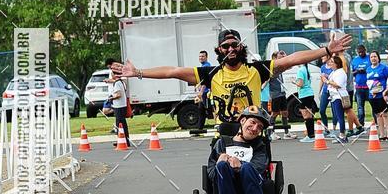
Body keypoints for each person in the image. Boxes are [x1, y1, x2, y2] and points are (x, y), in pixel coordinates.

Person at [113, 28, 352, 125]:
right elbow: (172, 72)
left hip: (254, 130)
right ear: (219, 50)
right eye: (225, 46)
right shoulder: (210, 73)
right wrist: (138, 72)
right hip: (225, 134)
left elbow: (292, 59)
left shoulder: (257, 70)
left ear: (241, 47)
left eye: (234, 45)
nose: (230, 49)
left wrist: (326, 50)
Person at [269, 51, 294, 138]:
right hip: (275, 94)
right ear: (275, 58)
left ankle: (286, 132)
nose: (281, 59)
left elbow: (289, 66)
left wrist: (285, 57)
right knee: (275, 113)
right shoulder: (272, 68)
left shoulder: (280, 67)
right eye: (279, 58)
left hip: (282, 93)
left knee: (285, 112)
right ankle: (271, 132)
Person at [366, 50, 388, 139]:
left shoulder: (383, 68)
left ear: (378, 58)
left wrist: (386, 92)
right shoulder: (368, 69)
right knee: (378, 115)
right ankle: (382, 134)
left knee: (385, 114)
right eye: (371, 57)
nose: (373, 58)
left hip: (382, 95)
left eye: (375, 56)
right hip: (372, 96)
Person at [325, 55, 349, 142]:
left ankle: (342, 135)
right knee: (337, 115)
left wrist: (327, 81)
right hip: (333, 96)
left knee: (340, 116)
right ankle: (341, 134)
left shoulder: (340, 72)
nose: (330, 63)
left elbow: (338, 85)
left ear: (336, 64)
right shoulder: (334, 72)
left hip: (339, 96)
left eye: (332, 62)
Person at [295, 62, 318, 142]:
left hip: (304, 95)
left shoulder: (300, 70)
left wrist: (294, 82)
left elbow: (300, 84)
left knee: (306, 116)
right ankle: (311, 135)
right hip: (309, 93)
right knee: (309, 115)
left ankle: (310, 136)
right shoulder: (306, 69)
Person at [108, 71, 132, 147]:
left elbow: (119, 95)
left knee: (120, 124)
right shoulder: (121, 82)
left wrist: (111, 98)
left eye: (112, 74)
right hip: (122, 105)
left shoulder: (117, 83)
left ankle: (123, 141)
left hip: (119, 106)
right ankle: (123, 140)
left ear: (115, 75)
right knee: (122, 124)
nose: (111, 76)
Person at [351, 45, 370, 127]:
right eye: (359, 52)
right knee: (360, 107)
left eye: (362, 52)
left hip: (369, 87)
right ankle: (361, 124)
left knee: (373, 105)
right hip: (359, 87)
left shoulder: (369, 58)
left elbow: (373, 68)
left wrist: (365, 71)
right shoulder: (355, 60)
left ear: (365, 50)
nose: (361, 54)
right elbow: (351, 73)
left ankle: (376, 122)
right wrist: (357, 71)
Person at [319, 55, 335, 134]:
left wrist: (327, 77)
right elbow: (322, 80)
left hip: (332, 90)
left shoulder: (333, 67)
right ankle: (326, 128)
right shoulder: (322, 67)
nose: (321, 57)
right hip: (325, 91)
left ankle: (334, 128)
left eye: (323, 56)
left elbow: (335, 79)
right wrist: (319, 91)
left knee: (334, 110)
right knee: (322, 110)